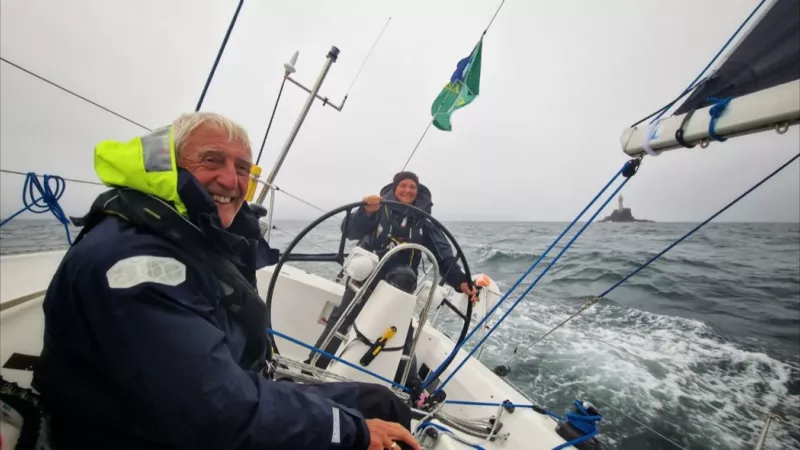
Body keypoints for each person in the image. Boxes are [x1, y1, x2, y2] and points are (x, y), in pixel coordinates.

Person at [31, 112, 421, 450]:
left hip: (211, 401)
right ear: (169, 166)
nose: (230, 180)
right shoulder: (135, 262)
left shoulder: (181, 235)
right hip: (139, 434)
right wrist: (350, 431)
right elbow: (210, 410)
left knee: (383, 404)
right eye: (211, 160)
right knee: (363, 427)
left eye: (242, 169)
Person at [309, 171, 476, 373]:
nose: (407, 190)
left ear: (418, 191)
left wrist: (460, 281)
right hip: (366, 277)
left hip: (402, 284)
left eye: (412, 187)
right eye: (403, 186)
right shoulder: (378, 208)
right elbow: (350, 231)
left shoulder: (425, 222)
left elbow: (444, 256)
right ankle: (313, 366)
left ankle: (405, 386)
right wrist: (366, 212)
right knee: (342, 319)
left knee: (402, 331)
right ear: (394, 188)